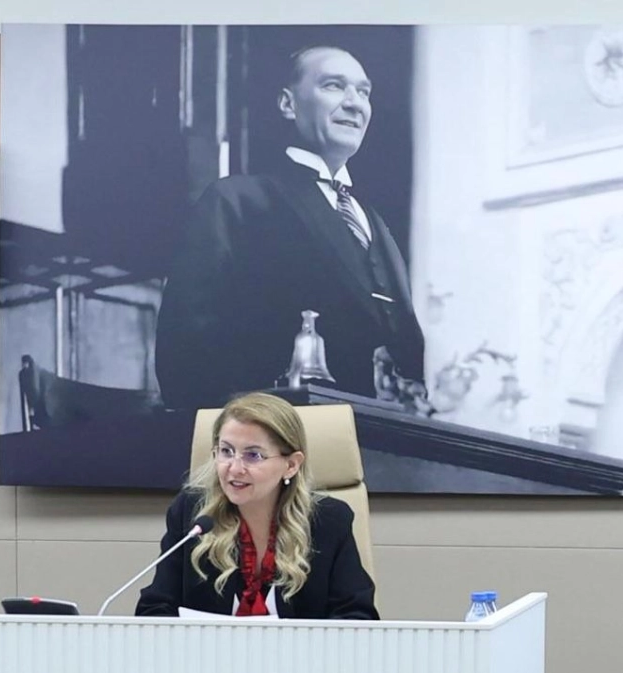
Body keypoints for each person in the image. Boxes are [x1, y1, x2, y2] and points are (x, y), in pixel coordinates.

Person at [153, 45, 425, 408]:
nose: (354, 103)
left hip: (381, 436)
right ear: (287, 104)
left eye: (363, 92)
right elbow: (185, 348)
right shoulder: (238, 201)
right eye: (333, 85)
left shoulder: (373, 222)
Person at [136, 392, 377, 619]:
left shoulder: (328, 521)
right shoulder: (194, 513)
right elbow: (154, 608)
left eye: (253, 455)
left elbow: (356, 616)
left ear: (291, 465)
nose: (235, 468)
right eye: (226, 451)